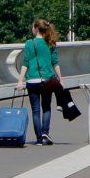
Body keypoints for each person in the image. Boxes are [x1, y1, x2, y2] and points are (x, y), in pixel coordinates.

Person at [22, 18, 61, 146]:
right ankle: (45, 134)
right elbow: (55, 62)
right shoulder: (50, 42)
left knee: (35, 110)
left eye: (33, 27)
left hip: (32, 80)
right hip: (47, 79)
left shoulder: (29, 43)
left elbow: (25, 63)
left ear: (36, 28)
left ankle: (39, 139)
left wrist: (20, 80)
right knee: (46, 107)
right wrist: (60, 78)